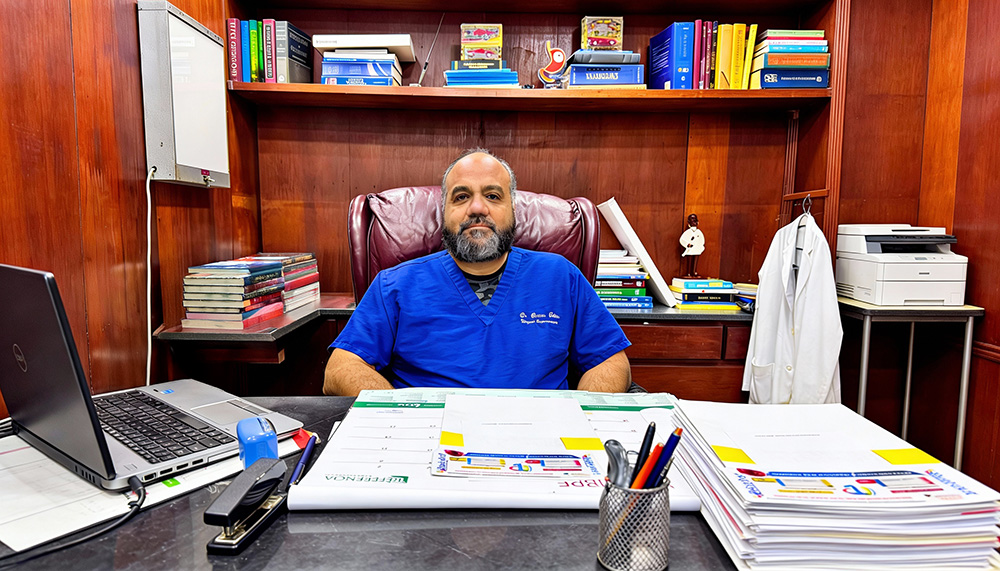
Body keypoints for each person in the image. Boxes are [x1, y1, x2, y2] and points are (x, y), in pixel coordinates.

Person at [323, 149, 632, 396]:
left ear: (514, 210)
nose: (477, 208)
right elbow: (340, 369)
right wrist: (403, 414)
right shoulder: (395, 285)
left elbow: (611, 361)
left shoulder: (561, 277)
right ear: (444, 211)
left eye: (493, 196)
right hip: (431, 438)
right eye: (461, 197)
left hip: (540, 440)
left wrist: (579, 420)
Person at [679, 213, 705, 278]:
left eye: (694, 221)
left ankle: (694, 272)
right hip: (690, 249)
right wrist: (687, 244)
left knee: (695, 261)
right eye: (692, 221)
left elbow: (702, 240)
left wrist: (700, 246)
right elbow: (682, 240)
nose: (693, 222)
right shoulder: (688, 232)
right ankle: (688, 273)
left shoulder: (699, 232)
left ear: (697, 222)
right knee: (689, 261)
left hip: (697, 249)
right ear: (689, 223)